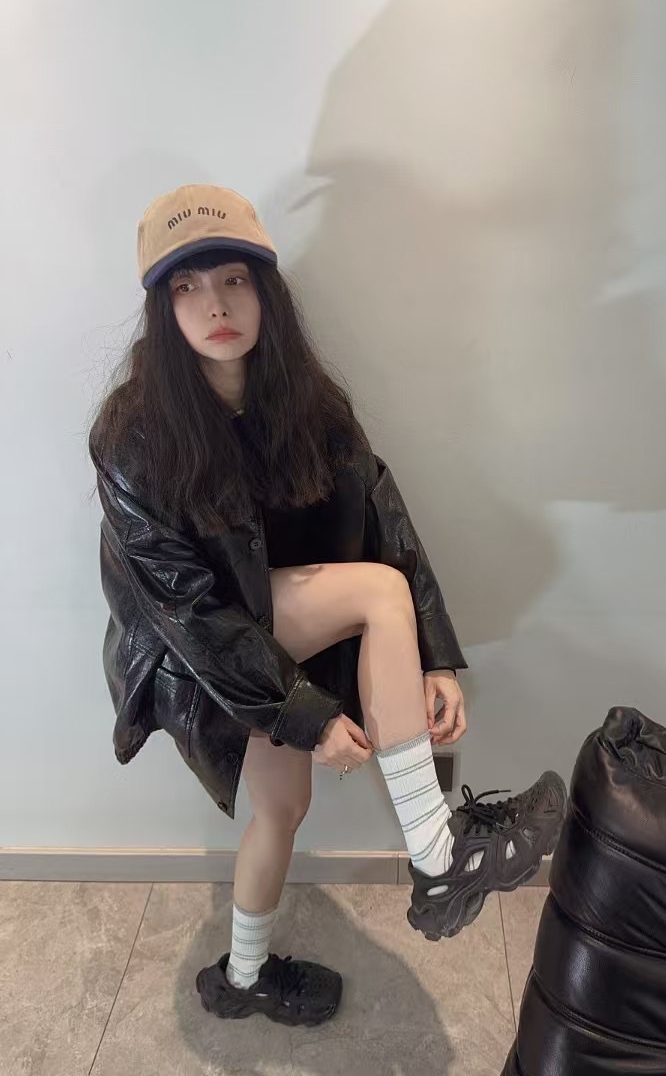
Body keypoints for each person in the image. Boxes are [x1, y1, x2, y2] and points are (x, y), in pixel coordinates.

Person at [87, 184, 567, 1027]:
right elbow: (186, 611)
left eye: (233, 280)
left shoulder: (306, 404)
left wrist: (434, 660)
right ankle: (438, 853)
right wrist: (303, 715)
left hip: (267, 641)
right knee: (377, 596)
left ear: (266, 290)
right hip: (195, 657)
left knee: (283, 810)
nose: (214, 306)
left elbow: (383, 518)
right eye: (186, 288)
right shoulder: (134, 435)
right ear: (163, 310)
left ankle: (242, 978)